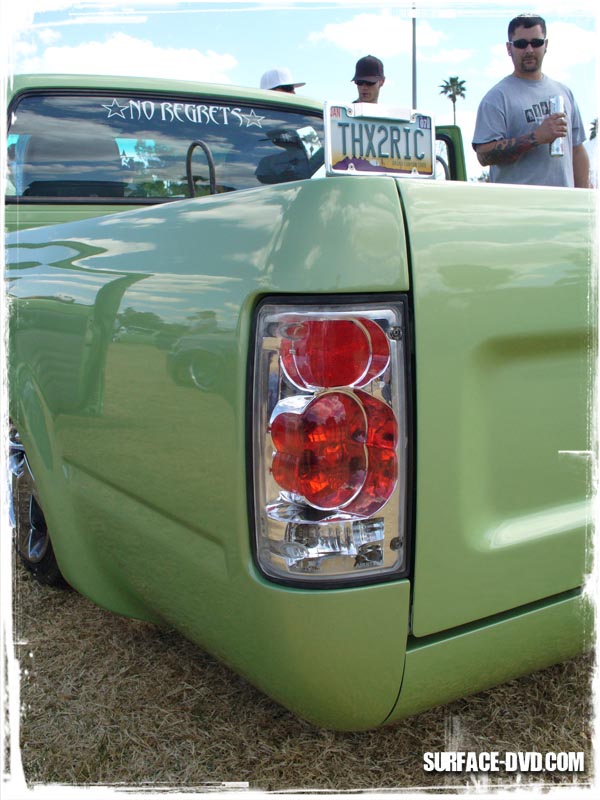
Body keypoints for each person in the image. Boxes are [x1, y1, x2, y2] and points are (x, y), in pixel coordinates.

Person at [472, 14, 589, 188]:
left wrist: (585, 197)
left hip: (563, 202)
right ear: (509, 48)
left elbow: (577, 150)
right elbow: (483, 155)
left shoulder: (564, 93)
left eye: (536, 42)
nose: (529, 50)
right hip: (519, 203)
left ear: (546, 45)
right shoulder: (496, 98)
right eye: (521, 44)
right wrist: (536, 137)